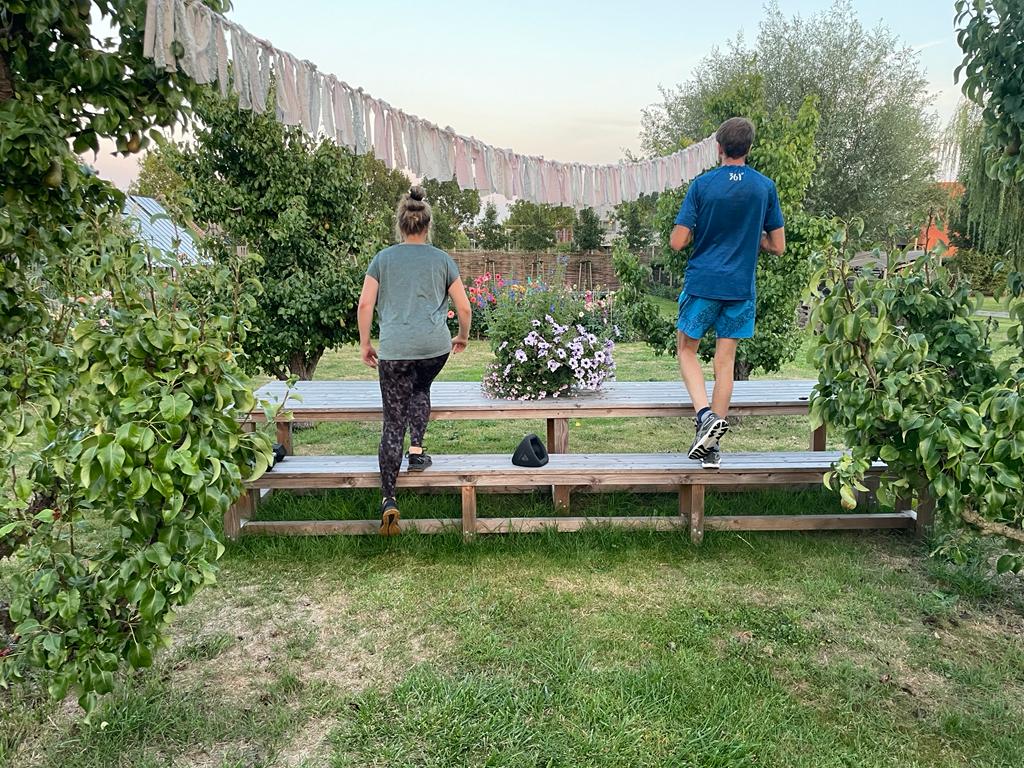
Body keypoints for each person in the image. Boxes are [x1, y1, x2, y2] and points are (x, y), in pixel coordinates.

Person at [669, 117, 786, 469]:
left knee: (686, 349)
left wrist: (697, 232)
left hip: (704, 284)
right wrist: (755, 240)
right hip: (740, 288)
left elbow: (677, 242)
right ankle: (712, 449)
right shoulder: (764, 187)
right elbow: (778, 246)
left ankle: (704, 416)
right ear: (748, 148)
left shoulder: (702, 185)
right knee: (725, 364)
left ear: (719, 147)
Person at [357, 186, 472, 535]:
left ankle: (389, 499)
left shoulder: (383, 259)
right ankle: (418, 450)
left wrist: (365, 343)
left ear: (401, 224)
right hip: (432, 349)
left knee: (393, 421)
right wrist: (463, 336)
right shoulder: (442, 259)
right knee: (421, 389)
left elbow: (365, 305)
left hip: (394, 350)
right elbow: (464, 307)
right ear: (427, 225)